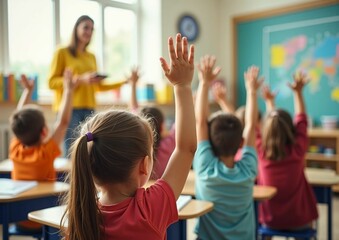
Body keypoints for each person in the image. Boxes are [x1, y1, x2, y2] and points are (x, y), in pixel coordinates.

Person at [61, 33, 196, 240]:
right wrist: (183, 86)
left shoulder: (81, 216)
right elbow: (186, 148)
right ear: (144, 166)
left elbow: (185, 148)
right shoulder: (149, 209)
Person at [48, 15, 136, 156]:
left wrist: (124, 81)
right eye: (85, 27)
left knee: (90, 152)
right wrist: (80, 79)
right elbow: (51, 83)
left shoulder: (91, 56)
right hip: (69, 109)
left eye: (92, 29)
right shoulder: (62, 52)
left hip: (89, 109)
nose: (89, 32)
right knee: (72, 152)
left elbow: (98, 87)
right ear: (76, 28)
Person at [193, 59, 261, 240]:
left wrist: (204, 82)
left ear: (210, 143)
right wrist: (252, 92)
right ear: (241, 143)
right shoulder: (248, 169)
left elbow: (200, 122)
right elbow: (251, 124)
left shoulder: (205, 167)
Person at [9, 69, 75, 232]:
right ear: (44, 131)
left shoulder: (15, 149)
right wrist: (68, 89)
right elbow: (63, 122)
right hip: (44, 221)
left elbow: (19, 119)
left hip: (17, 220)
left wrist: (27, 91)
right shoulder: (45, 154)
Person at [256, 72, 318, 232]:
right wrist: (298, 92)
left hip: (269, 220)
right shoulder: (298, 149)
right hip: (300, 220)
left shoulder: (261, 152)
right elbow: (302, 119)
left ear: (265, 131)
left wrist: (268, 102)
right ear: (291, 129)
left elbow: (253, 127)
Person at [128, 72, 175, 179]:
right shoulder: (168, 144)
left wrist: (133, 85)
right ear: (162, 126)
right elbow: (182, 122)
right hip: (160, 191)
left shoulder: (135, 147)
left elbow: (134, 112)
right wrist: (180, 86)